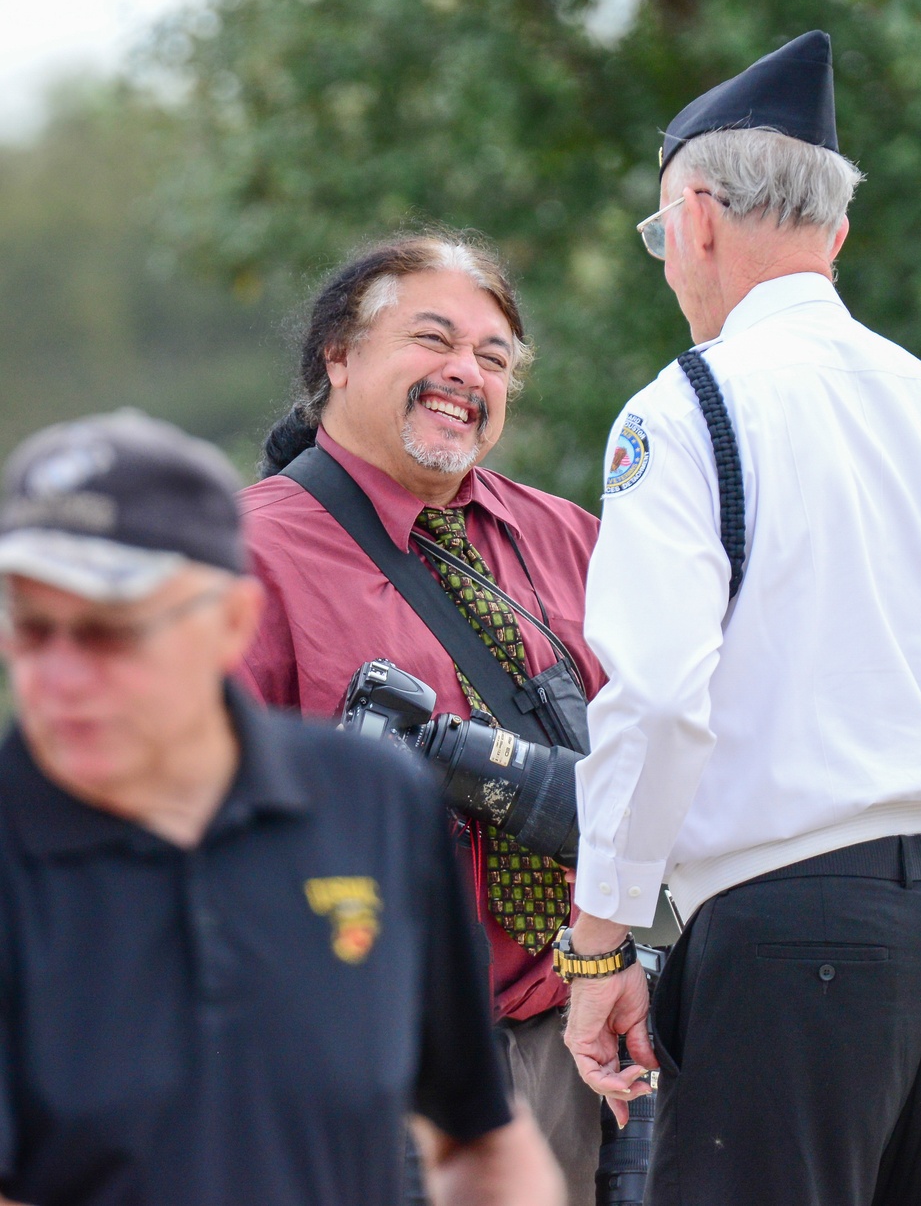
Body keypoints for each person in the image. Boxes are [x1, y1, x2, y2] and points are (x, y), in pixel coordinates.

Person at [562, 31, 921, 1204]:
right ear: (837, 233)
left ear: (696, 217)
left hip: (790, 931)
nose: (667, 263)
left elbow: (655, 696)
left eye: (660, 236)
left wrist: (599, 941)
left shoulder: (688, 402)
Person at [0, 408, 562, 1206]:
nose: (58, 676)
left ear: (230, 622)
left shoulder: (373, 804)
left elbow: (477, 1139)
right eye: (30, 628)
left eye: (108, 633)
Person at [240, 233, 605, 1203]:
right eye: (432, 339)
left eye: (492, 356)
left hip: (578, 1055)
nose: (463, 373)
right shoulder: (242, 555)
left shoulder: (572, 537)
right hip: (364, 1066)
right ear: (339, 356)